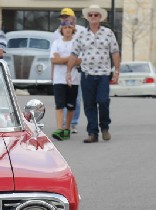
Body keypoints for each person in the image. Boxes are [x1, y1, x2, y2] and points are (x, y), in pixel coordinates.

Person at [66, 4, 120, 143]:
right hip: (87, 74)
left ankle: (105, 127)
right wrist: (68, 71)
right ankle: (92, 133)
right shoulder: (81, 35)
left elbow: (114, 52)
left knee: (102, 101)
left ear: (100, 17)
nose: (93, 17)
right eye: (91, 15)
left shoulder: (108, 33)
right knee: (89, 104)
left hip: (103, 74)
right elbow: (74, 54)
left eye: (96, 15)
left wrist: (117, 71)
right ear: (87, 18)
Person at [52, 8, 86, 134]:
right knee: (61, 101)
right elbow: (54, 57)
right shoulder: (56, 33)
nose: (65, 18)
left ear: (74, 18)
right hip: (59, 74)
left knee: (75, 99)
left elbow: (80, 57)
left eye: (67, 16)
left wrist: (67, 60)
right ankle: (64, 125)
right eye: (62, 17)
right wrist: (70, 59)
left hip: (75, 72)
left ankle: (73, 123)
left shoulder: (81, 30)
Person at [50, 20, 81, 141]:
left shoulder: (77, 43)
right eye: (65, 27)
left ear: (73, 29)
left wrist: (63, 59)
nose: (67, 29)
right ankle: (60, 129)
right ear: (61, 30)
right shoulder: (56, 43)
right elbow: (54, 60)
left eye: (69, 27)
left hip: (73, 79)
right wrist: (71, 58)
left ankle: (67, 128)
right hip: (59, 78)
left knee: (70, 105)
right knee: (59, 104)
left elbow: (79, 60)